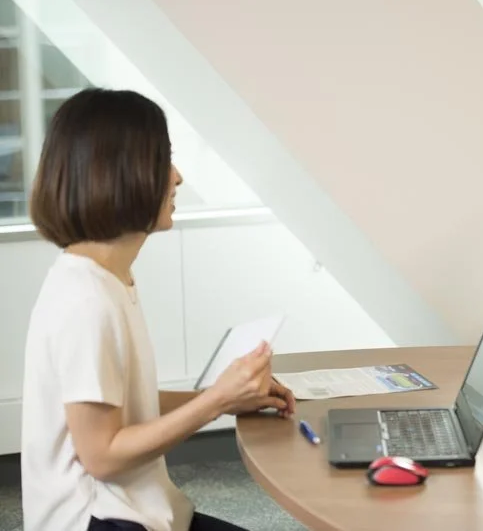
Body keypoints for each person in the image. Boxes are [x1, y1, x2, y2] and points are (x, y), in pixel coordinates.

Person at [20, 88, 296, 531]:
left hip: (139, 511)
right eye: (164, 160)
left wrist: (229, 401)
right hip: (99, 521)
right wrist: (216, 400)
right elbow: (103, 456)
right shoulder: (85, 300)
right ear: (120, 174)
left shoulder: (107, 278)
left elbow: (128, 405)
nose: (178, 177)